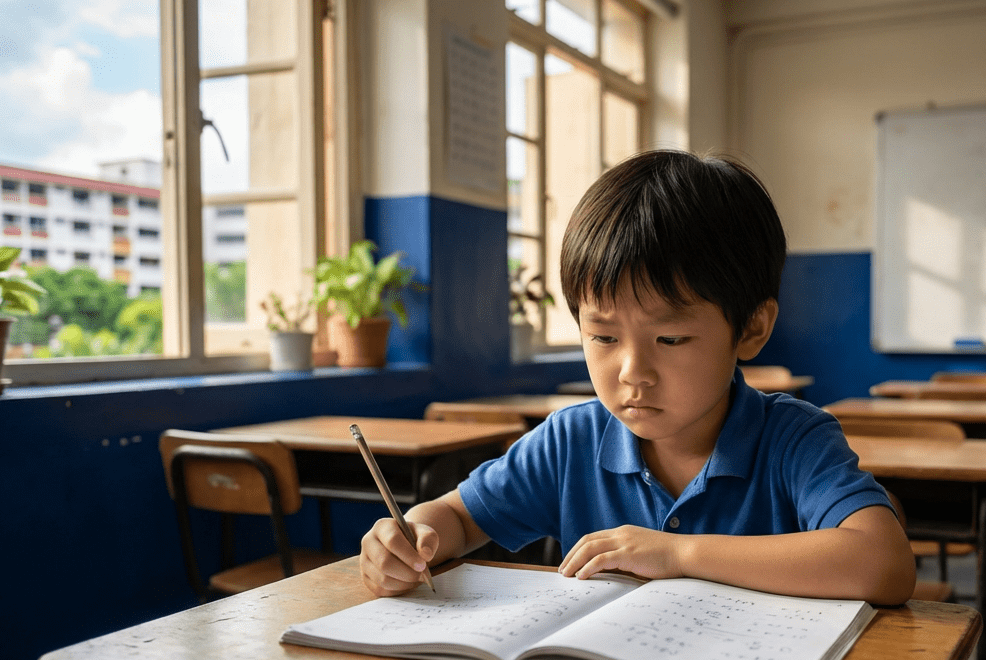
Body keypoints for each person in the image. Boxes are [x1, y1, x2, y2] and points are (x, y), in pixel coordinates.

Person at [360, 149, 915, 604]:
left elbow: (882, 563)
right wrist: (411, 537)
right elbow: (457, 516)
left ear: (751, 329)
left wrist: (679, 554)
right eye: (602, 337)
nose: (632, 373)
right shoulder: (569, 442)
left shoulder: (794, 440)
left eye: (669, 339)